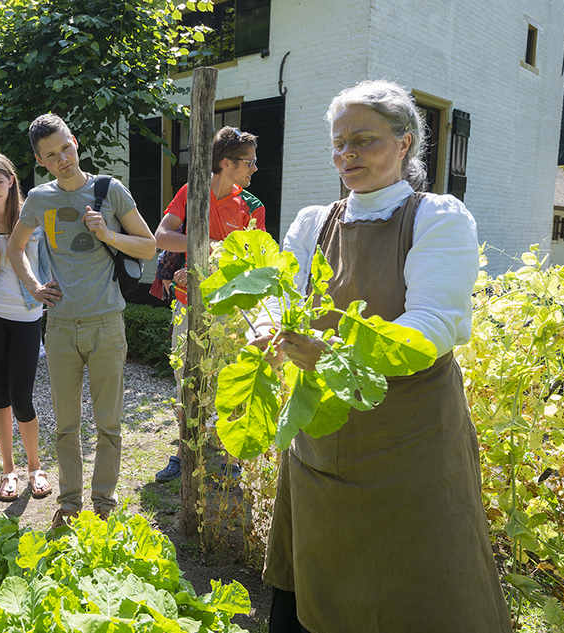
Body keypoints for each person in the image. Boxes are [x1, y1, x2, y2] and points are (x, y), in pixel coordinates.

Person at [251, 80, 510, 631]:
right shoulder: (312, 222)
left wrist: (335, 353)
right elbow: (280, 298)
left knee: (418, 584)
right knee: (322, 577)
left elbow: (431, 326)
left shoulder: (437, 217)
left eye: (363, 141)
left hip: (410, 441)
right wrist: (270, 330)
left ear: (404, 144)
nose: (346, 155)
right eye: (339, 143)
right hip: (323, 434)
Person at [7, 114, 156, 529]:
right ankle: (70, 505)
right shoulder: (38, 199)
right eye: (51, 155)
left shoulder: (109, 189)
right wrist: (35, 288)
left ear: (75, 141)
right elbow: (15, 249)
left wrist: (108, 234)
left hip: (107, 322)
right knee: (66, 425)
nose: (63, 159)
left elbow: (147, 247)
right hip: (60, 327)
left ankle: (104, 505)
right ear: (41, 160)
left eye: (66, 148)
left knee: (109, 423)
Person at [151, 126, 266, 484]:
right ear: (226, 163)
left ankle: (233, 461)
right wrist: (196, 255)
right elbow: (162, 235)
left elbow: (255, 262)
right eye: (249, 162)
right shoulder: (191, 193)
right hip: (188, 305)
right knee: (186, 378)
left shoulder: (252, 206)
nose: (254, 169)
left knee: (230, 380)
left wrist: (210, 255)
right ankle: (188, 451)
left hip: (229, 309)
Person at [0, 151, 52, 502]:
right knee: (0, 395)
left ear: (11, 180)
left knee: (22, 397)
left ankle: (35, 467)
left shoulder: (33, 216)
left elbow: (48, 261)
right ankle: (8, 471)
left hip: (27, 316)